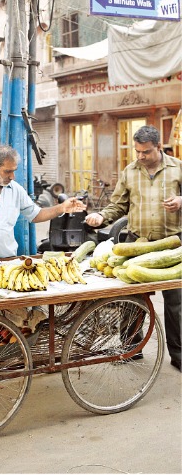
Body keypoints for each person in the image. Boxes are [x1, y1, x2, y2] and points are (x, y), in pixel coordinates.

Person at [86, 125, 182, 372]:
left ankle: (179, 355)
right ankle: (131, 347)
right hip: (137, 243)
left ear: (158, 147)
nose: (140, 156)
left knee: (176, 304)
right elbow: (118, 205)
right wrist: (101, 216)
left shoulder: (177, 168)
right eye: (137, 151)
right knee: (130, 299)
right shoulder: (130, 172)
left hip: (172, 243)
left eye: (146, 152)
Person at [0, 144, 86, 261]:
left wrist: (62, 207)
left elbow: (35, 215)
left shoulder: (16, 190)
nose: (12, 176)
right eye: (7, 172)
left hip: (8, 261)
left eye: (14, 171)